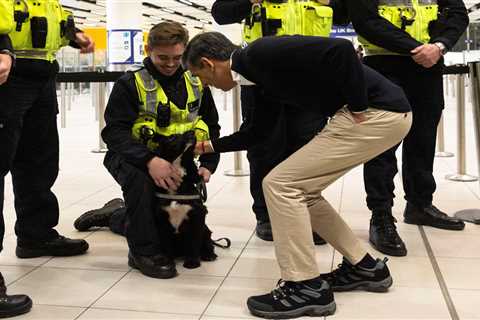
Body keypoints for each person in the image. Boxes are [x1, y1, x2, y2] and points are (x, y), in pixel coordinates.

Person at [183, 32, 412, 319]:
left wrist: (358, 105)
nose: (205, 85)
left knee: (279, 184)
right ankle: (365, 267)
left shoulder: (258, 54)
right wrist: (207, 146)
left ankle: (304, 285)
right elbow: (258, 133)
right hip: (386, 114)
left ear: (208, 63)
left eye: (200, 76)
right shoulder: (254, 78)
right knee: (301, 191)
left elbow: (340, 49)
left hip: (376, 113)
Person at [327, 0, 468, 257]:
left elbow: (458, 14)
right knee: (382, 146)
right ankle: (381, 216)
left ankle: (420, 205)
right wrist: (416, 48)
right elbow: (366, 20)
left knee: (423, 140)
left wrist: (439, 46)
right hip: (384, 65)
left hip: (429, 66)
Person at [100, 22, 221, 279]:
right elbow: (114, 133)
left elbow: (211, 126)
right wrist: (149, 161)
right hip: (134, 157)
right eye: (162, 57)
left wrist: (208, 164)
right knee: (142, 187)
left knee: (175, 213)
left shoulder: (196, 81)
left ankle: (116, 215)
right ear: (148, 49)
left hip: (180, 159)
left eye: (177, 57)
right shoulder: (130, 84)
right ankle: (143, 252)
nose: (170, 64)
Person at [210, 0, 333, 244]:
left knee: (308, 151)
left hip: (311, 77)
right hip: (260, 77)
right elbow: (220, 13)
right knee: (264, 148)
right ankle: (266, 216)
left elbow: (348, 13)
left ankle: (307, 214)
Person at [0, 1, 94, 317]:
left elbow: (49, 22)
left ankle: (35, 235)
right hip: (5, 74)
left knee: (40, 162)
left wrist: (73, 34)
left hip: (40, 77)